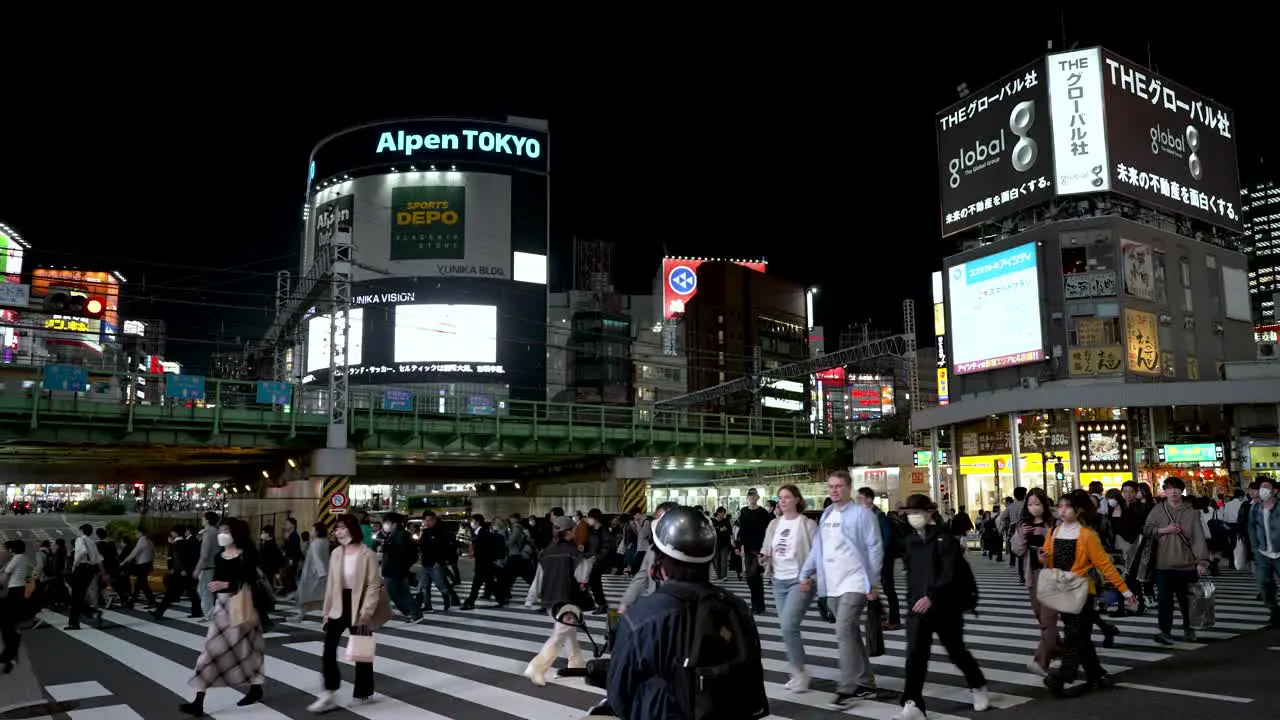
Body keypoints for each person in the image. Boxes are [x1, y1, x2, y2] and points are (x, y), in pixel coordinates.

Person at [607, 506, 769, 719]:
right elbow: (753, 680)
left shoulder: (642, 617)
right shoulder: (737, 608)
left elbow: (619, 697)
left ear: (659, 560)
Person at [894, 494, 989, 719]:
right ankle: (913, 703)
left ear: (929, 513)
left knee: (956, 650)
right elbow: (910, 574)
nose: (913, 517)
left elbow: (951, 573)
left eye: (917, 513)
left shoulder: (945, 539)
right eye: (909, 513)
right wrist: (912, 600)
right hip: (917, 607)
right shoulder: (910, 542)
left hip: (945, 606)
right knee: (915, 655)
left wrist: (932, 596)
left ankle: (978, 685)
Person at [799, 470, 884, 709]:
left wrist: (872, 582)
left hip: (856, 582)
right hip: (833, 585)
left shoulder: (862, 514)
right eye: (831, 486)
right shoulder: (826, 514)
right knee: (851, 634)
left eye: (838, 486)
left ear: (848, 488)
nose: (834, 490)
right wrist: (805, 573)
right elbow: (818, 549)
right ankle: (866, 684)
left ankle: (847, 688)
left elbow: (875, 549)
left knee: (844, 630)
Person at [1042, 492, 1136, 695]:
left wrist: (1125, 591)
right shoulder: (1053, 532)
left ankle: (1064, 675)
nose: (1062, 511)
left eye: (1067, 507)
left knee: (1074, 634)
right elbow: (1049, 560)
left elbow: (1104, 564)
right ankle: (1097, 675)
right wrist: (1044, 558)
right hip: (1062, 590)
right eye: (1060, 507)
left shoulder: (1087, 535)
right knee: (1080, 635)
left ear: (1078, 511)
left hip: (1082, 591)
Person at [180, 518, 267, 715]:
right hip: (222, 608)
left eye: (225, 531)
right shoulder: (220, 556)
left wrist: (225, 584)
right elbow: (220, 580)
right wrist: (219, 588)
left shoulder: (247, 556)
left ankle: (256, 688)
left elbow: (249, 579)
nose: (222, 535)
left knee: (248, 651)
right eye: (220, 531)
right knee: (209, 653)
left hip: (243, 606)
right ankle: (198, 701)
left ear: (235, 533)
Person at [308, 514, 389, 712]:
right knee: (328, 649)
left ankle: (363, 692)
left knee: (361, 651)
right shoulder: (336, 553)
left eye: (342, 528)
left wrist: (366, 610)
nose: (338, 532)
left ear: (353, 529)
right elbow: (331, 585)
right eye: (336, 529)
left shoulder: (367, 554)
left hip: (360, 603)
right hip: (339, 603)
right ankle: (329, 691)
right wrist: (326, 612)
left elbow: (373, 585)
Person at [760, 484, 818, 692]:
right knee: (787, 628)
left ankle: (800, 672)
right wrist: (764, 558)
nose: (782, 501)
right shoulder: (774, 524)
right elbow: (767, 549)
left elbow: (817, 554)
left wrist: (810, 577)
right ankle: (797, 671)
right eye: (780, 498)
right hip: (778, 580)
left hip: (799, 580)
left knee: (788, 625)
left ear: (797, 500)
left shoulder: (807, 525)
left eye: (786, 497)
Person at [522, 515, 585, 686]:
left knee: (568, 633)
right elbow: (582, 577)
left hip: (551, 600)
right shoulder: (573, 552)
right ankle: (536, 667)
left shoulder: (546, 551)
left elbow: (538, 577)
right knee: (559, 636)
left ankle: (576, 666)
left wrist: (531, 597)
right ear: (570, 531)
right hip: (567, 599)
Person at [618, 502, 680, 613]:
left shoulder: (685, 549)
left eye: (662, 521)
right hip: (656, 607)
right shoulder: (653, 550)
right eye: (656, 521)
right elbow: (641, 578)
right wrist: (626, 602)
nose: (658, 526)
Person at [1246, 477, 1280, 626]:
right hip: (1263, 553)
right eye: (1261, 488)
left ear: (1274, 491)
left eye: (1267, 487)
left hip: (1279, 552)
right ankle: (1274, 611)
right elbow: (1251, 528)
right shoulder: (1254, 508)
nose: (1263, 491)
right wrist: (1255, 548)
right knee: (1263, 583)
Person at [736, 488, 772, 614]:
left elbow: (768, 531)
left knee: (753, 575)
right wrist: (737, 545)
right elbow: (741, 530)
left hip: (759, 549)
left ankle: (759, 604)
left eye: (754, 496)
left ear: (757, 498)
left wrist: (767, 549)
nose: (752, 498)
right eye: (750, 496)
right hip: (747, 548)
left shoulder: (763, 512)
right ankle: (756, 604)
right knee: (751, 578)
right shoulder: (743, 511)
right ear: (747, 498)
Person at [0, 539, 31, 673]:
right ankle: (10, 654)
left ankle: (10, 654)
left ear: (13, 549)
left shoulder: (16, 558)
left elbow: (5, 575)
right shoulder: (22, 558)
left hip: (13, 591)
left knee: (7, 623)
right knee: (9, 623)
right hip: (18, 589)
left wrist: (1, 588)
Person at [294, 522, 330, 622]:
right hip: (322, 574)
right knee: (319, 597)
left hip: (313, 575)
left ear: (317, 531)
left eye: (312, 530)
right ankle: (300, 616)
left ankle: (300, 616)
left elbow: (317, 558)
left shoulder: (315, 543)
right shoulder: (326, 542)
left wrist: (321, 572)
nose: (311, 532)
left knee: (305, 596)